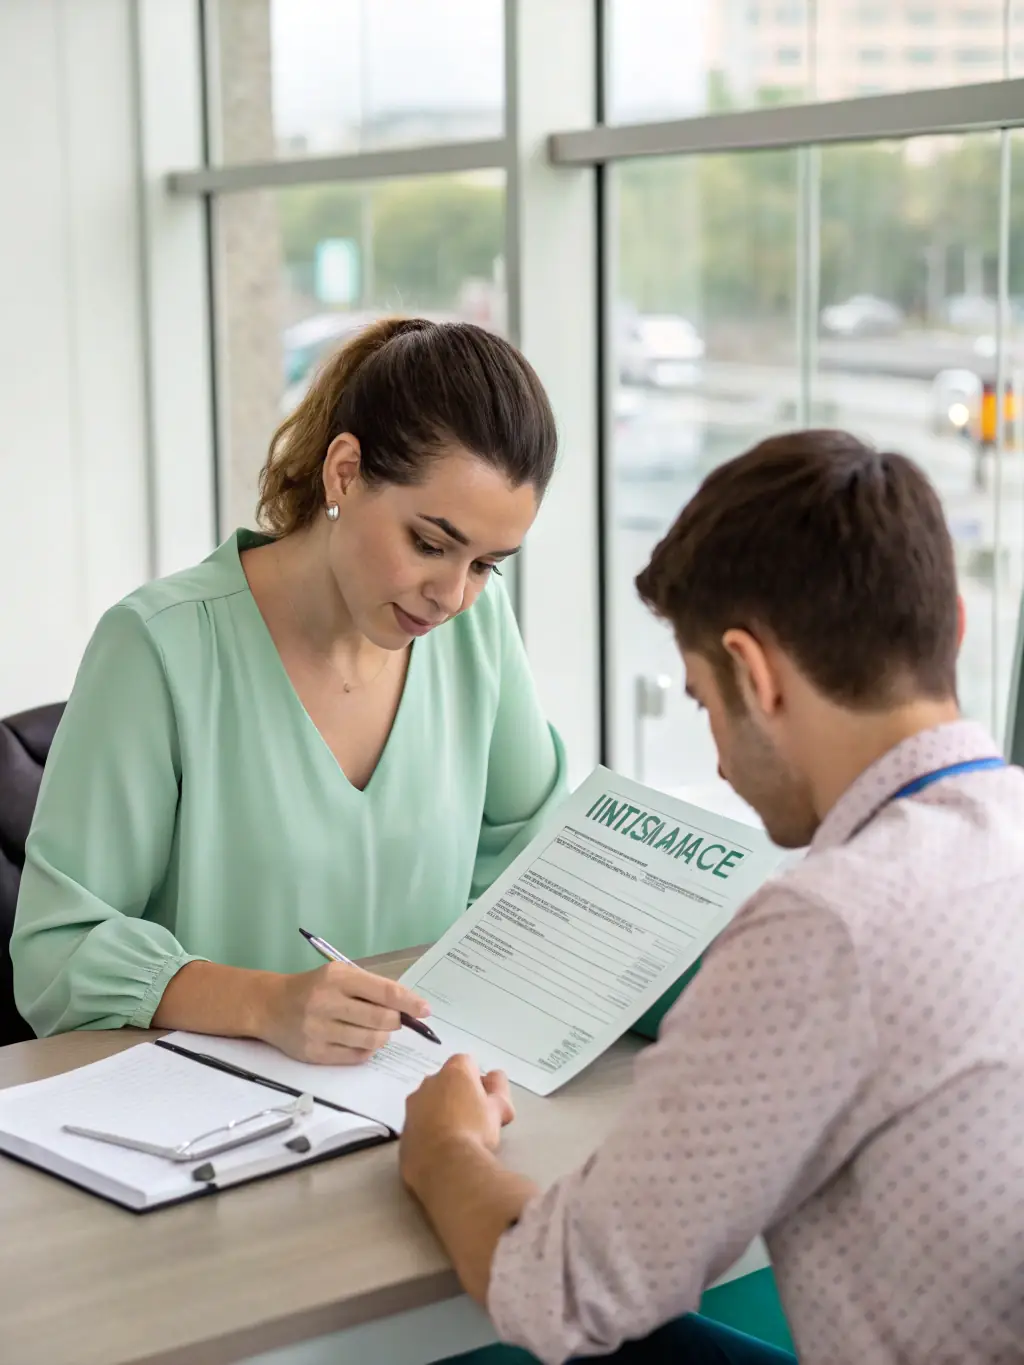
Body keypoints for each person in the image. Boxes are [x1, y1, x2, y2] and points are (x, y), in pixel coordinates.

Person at [398, 430, 1024, 1364]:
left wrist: (443, 1148)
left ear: (755, 670)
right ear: (954, 627)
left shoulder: (830, 926)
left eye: (702, 702)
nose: (721, 761)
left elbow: (564, 1288)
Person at [12, 317, 567, 1062]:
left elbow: (539, 856)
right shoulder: (159, 646)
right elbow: (59, 951)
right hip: (214, 1126)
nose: (451, 595)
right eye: (429, 544)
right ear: (344, 473)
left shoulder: (476, 630)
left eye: (486, 564)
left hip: (417, 1095)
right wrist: (268, 1004)